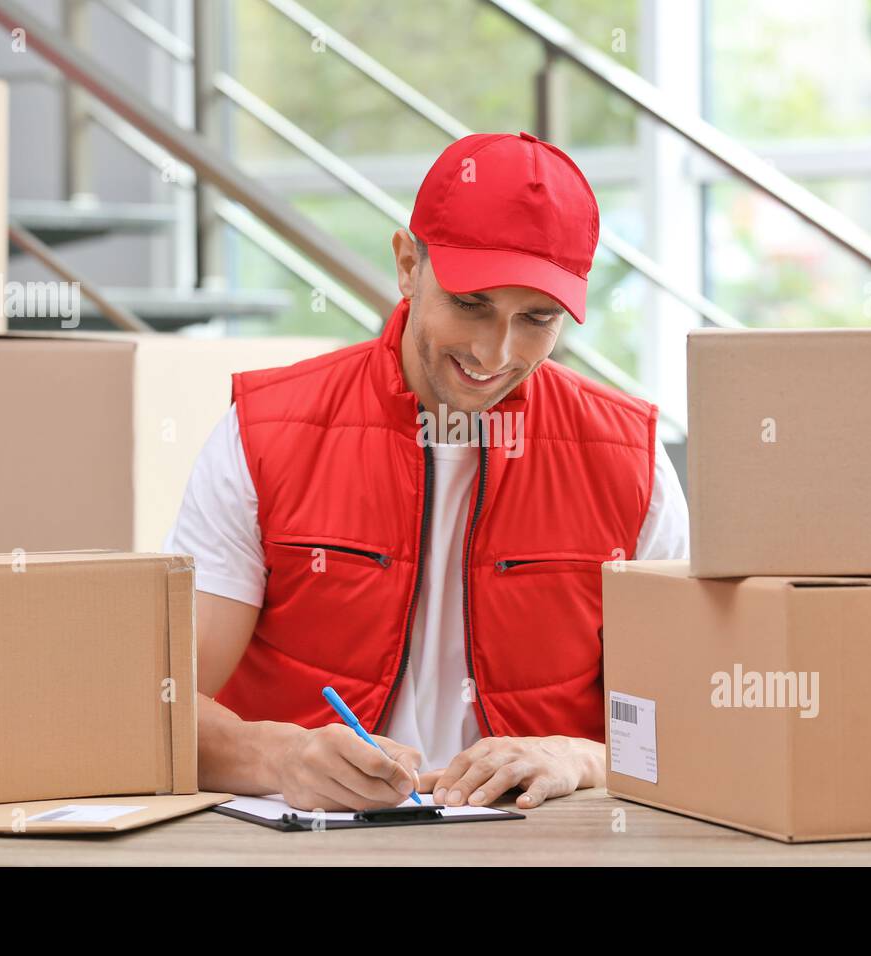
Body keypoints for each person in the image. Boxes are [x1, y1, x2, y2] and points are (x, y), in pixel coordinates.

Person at [164, 131, 688, 812]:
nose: (495, 351)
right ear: (408, 264)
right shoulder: (262, 432)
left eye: (537, 318)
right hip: (309, 849)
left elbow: (696, 720)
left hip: (547, 848)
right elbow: (163, 703)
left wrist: (579, 755)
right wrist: (282, 755)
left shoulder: (631, 458)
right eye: (471, 304)